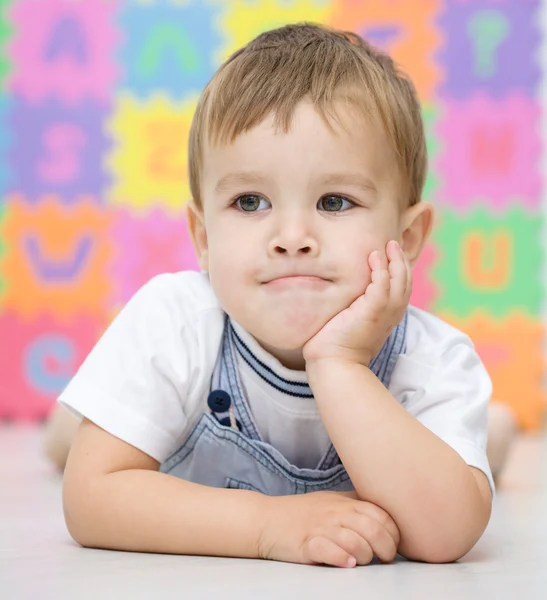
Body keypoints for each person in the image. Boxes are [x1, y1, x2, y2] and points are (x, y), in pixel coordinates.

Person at [53, 22, 499, 569]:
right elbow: (91, 497)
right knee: (77, 444)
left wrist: (340, 364)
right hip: (165, 428)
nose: (291, 238)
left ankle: (490, 438)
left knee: (475, 456)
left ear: (406, 240)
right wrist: (267, 526)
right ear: (203, 239)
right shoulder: (177, 320)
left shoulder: (431, 359)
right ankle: (70, 428)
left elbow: (446, 534)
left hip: (415, 410)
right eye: (249, 202)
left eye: (334, 202)